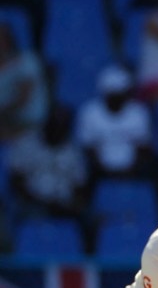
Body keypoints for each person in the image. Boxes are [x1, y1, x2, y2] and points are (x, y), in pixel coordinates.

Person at [7, 102, 96, 253]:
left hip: (63, 205)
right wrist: (41, 202)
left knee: (89, 218)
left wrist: (69, 203)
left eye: (63, 125)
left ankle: (86, 261)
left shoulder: (73, 152)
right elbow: (16, 182)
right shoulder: (26, 144)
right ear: (47, 123)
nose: (58, 128)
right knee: (19, 215)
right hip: (32, 203)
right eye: (55, 124)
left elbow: (80, 186)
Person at [75, 65, 155, 181]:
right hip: (99, 170)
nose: (116, 98)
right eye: (112, 94)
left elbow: (143, 148)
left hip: (133, 170)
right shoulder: (90, 113)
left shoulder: (139, 113)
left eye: (119, 94)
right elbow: (88, 148)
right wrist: (103, 170)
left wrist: (131, 170)